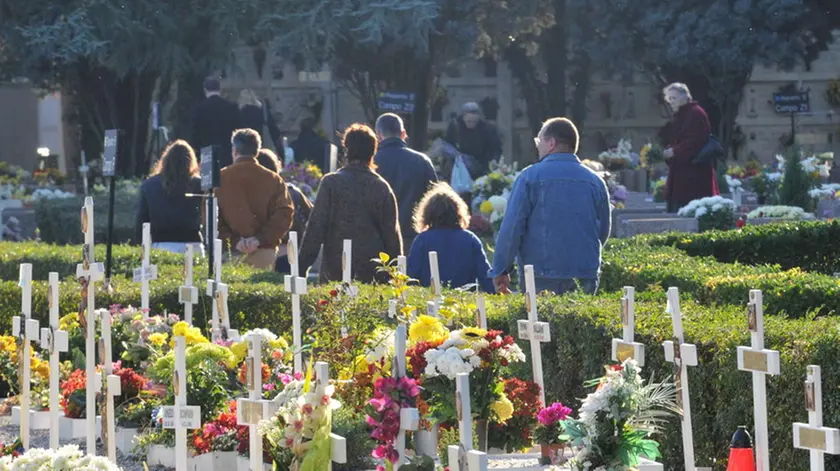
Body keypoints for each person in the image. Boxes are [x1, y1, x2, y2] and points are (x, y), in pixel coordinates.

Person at [489, 117, 611, 296]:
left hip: (539, 274)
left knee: (539, 323)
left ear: (551, 143)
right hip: (585, 273)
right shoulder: (595, 181)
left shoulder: (529, 177)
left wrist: (501, 269)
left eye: (539, 140)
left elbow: (512, 228)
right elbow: (603, 231)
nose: (537, 146)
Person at [299, 123, 403, 283]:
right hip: (372, 275)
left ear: (346, 150)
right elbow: (392, 237)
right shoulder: (381, 187)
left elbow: (316, 228)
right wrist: (397, 275)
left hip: (334, 272)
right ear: (373, 151)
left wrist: (301, 267)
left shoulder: (331, 183)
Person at [217, 129, 295, 270]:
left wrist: (234, 241)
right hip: (264, 252)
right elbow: (284, 213)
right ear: (257, 151)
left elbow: (211, 216)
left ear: (234, 150)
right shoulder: (273, 179)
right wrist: (260, 239)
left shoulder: (220, 178)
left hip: (229, 253)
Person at [407, 183, 494, 293]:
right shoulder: (470, 239)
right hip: (464, 302)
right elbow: (485, 276)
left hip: (429, 302)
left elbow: (411, 276)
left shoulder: (421, 240)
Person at [373, 113, 438, 249]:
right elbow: (435, 202)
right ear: (403, 133)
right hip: (415, 237)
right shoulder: (422, 161)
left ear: (378, 135)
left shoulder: (371, 163)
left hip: (379, 239)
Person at [135, 140, 203, 255]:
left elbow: (141, 219)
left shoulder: (149, 185)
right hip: (192, 242)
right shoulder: (199, 184)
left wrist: (140, 246)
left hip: (162, 243)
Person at [660, 82, 719, 213]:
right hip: (682, 175)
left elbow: (696, 141)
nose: (671, 102)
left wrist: (674, 151)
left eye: (673, 98)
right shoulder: (681, 115)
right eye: (669, 99)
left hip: (694, 176)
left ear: (685, 97)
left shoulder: (696, 113)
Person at [255, 148, 314, 274]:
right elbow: (313, 218)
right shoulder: (294, 192)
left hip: (264, 256)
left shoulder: (256, 195)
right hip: (293, 255)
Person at [191, 76, 240, 169]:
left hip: (207, 153)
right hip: (227, 153)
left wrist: (196, 157)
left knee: (208, 182)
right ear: (219, 89)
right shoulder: (232, 107)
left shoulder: (200, 109)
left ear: (205, 89)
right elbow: (239, 130)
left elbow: (196, 135)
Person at [444, 102, 502, 178]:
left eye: (474, 122)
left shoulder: (487, 128)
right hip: (459, 167)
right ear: (463, 118)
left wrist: (494, 159)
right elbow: (447, 143)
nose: (471, 124)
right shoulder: (455, 126)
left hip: (480, 166)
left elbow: (496, 148)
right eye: (469, 122)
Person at [238, 89, 284, 155]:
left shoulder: (239, 113)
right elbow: (272, 127)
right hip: (259, 143)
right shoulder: (262, 112)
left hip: (243, 145)